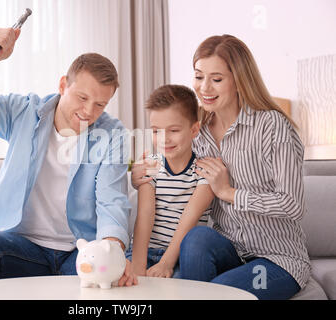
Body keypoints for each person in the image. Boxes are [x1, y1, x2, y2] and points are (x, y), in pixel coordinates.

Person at [0, 27, 137, 286]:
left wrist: (113, 251)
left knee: (110, 277)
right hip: (20, 247)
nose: (88, 111)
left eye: (100, 104)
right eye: (82, 98)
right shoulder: (23, 112)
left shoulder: (111, 133)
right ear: (63, 85)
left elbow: (112, 201)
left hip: (79, 252)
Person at [131, 34, 310, 299]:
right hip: (229, 249)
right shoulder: (198, 132)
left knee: (216, 295)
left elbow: (293, 205)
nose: (204, 88)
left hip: (276, 259)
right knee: (197, 239)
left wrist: (229, 193)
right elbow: (172, 168)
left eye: (216, 79)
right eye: (199, 76)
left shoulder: (272, 126)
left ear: (239, 80)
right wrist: (140, 174)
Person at [127, 85, 215, 279]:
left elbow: (189, 219)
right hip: (144, 252)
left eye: (174, 130)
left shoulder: (205, 171)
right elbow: (145, 215)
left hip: (179, 257)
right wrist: (138, 267)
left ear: (194, 130)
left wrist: (166, 264)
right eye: (156, 131)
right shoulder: (150, 164)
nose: (164, 139)